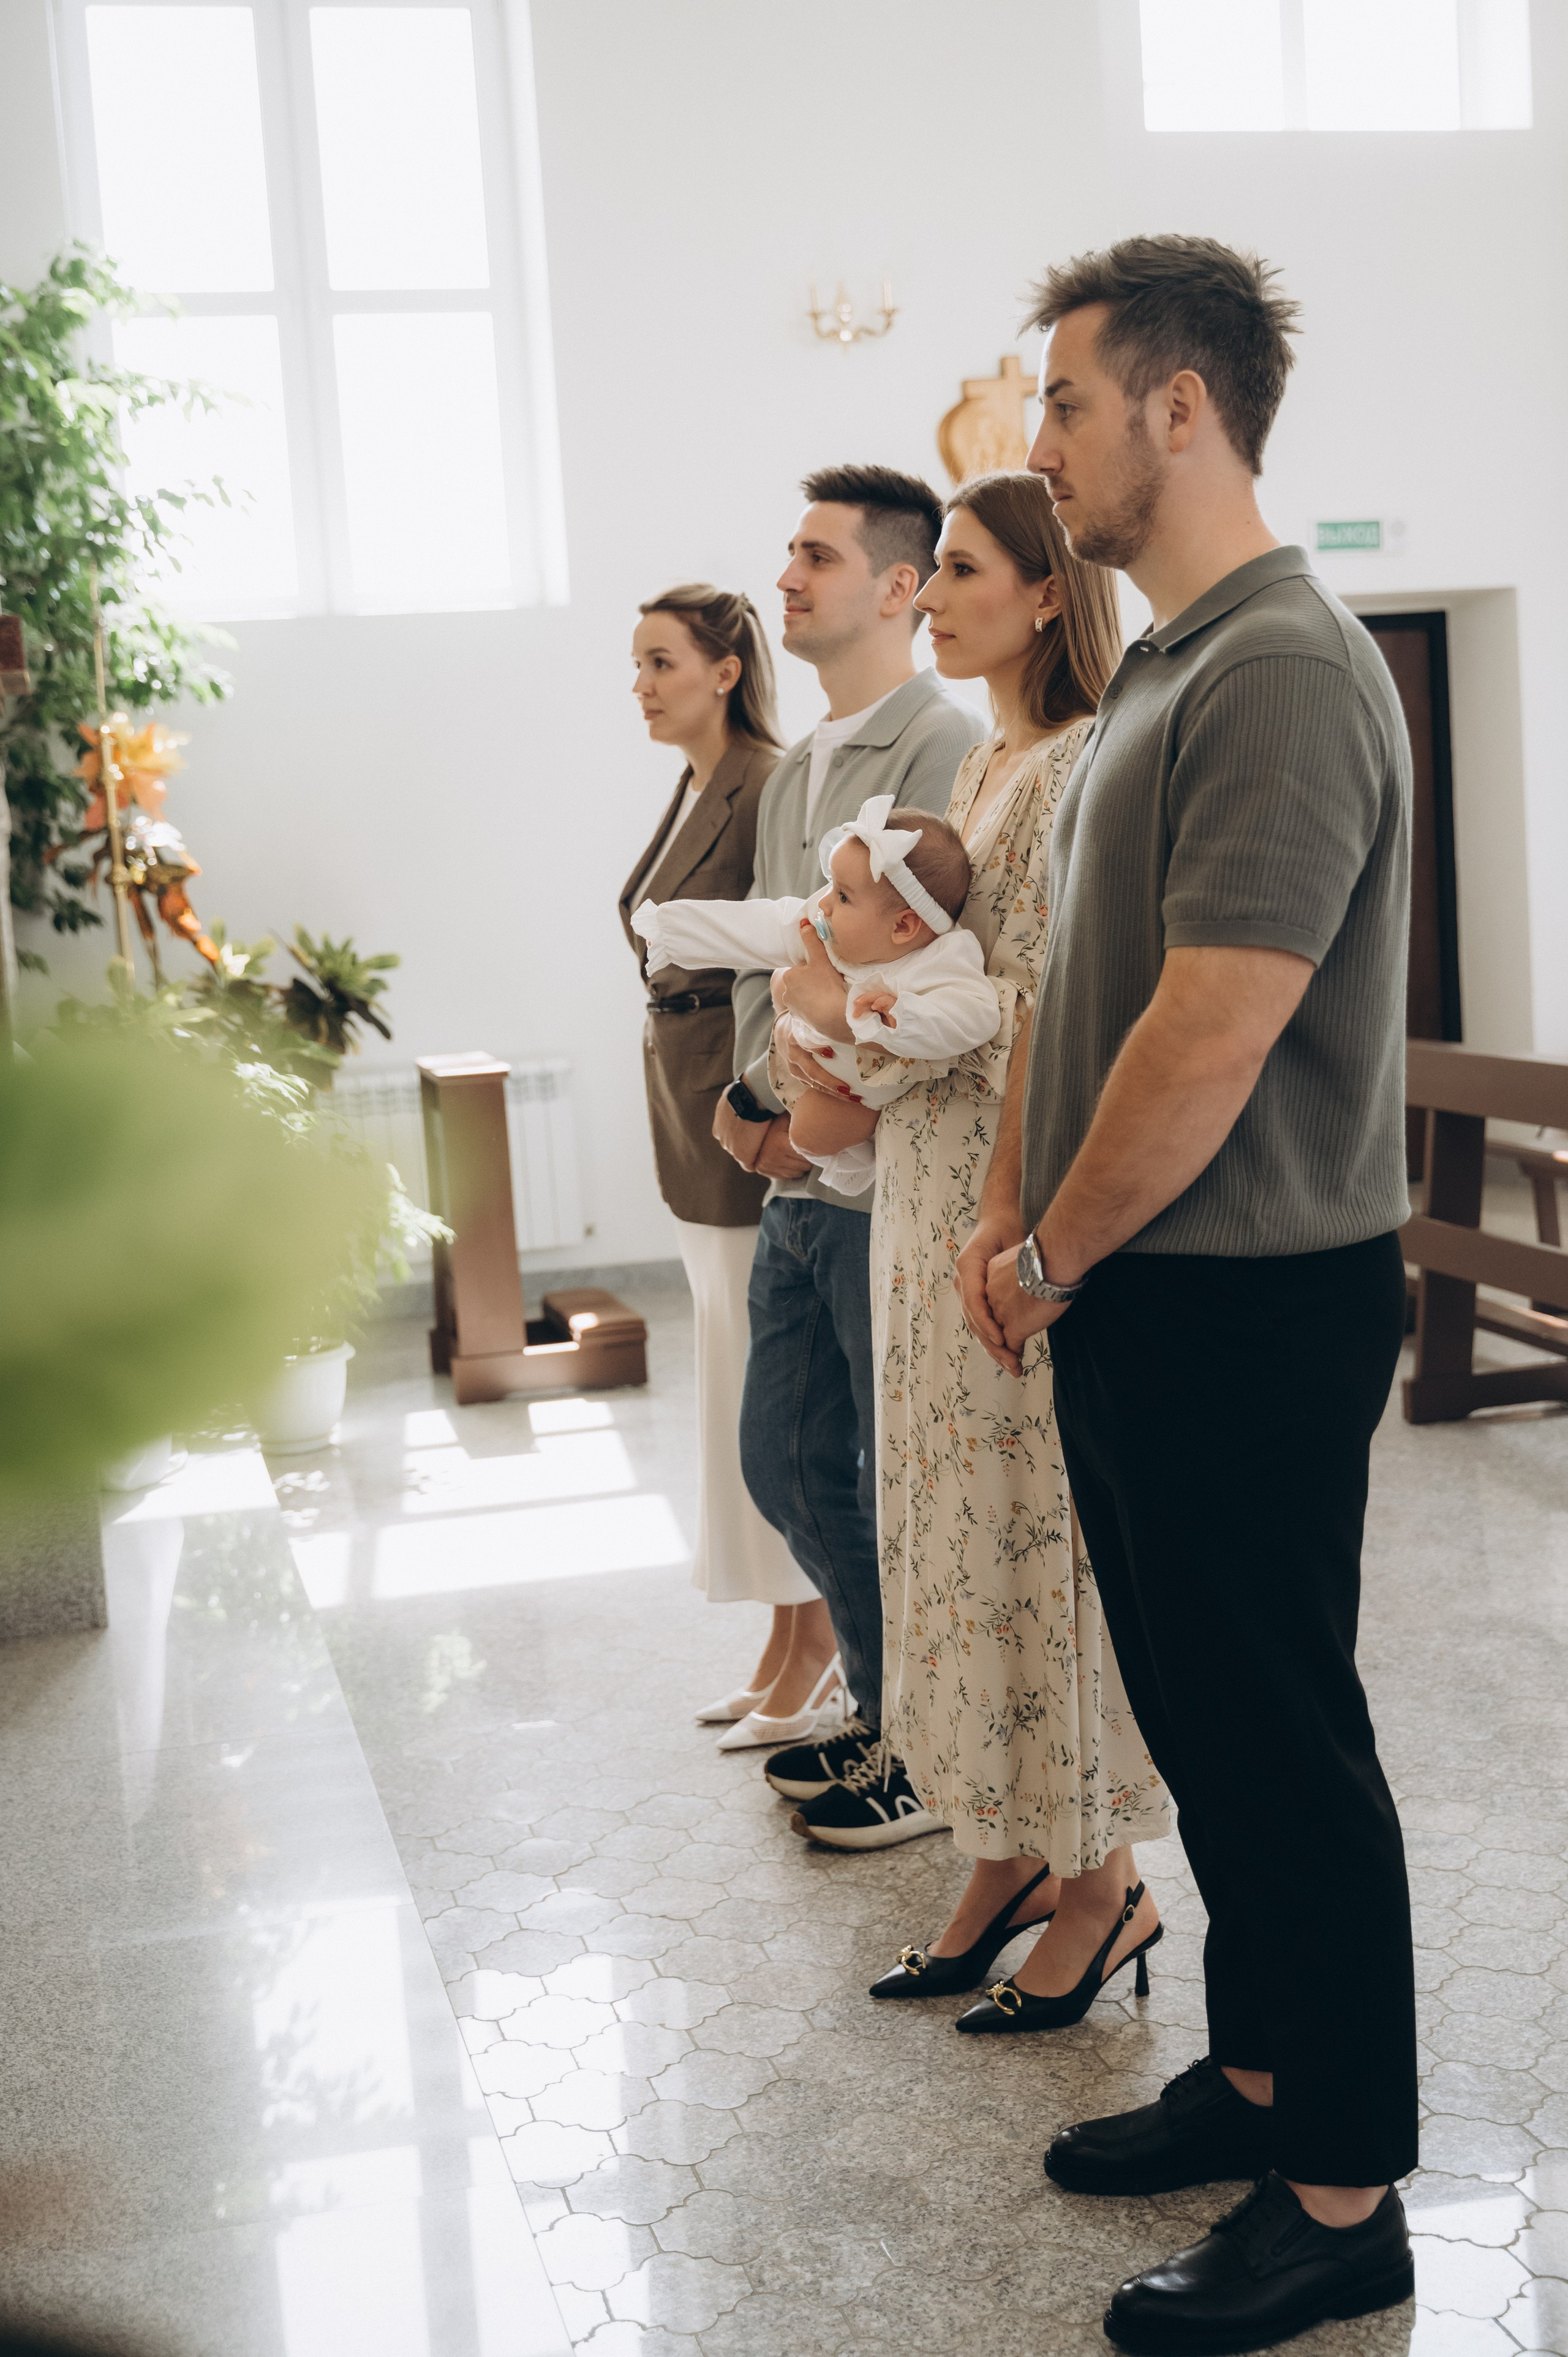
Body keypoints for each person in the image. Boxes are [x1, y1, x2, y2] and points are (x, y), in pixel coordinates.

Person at [962, 236, 1417, 2351]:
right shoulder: (1163, 664)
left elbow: (1217, 1023)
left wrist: (1055, 1245)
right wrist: (1018, 1213)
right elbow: (1078, 984)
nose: (1038, 443)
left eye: (1063, 402)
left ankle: (1339, 2197)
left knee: (1280, 1742)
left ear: (1178, 405)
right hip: (1146, 1288)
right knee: (1211, 1733)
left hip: (1245, 1292)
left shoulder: (1285, 665)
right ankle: (1251, 2078)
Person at [778, 470, 1174, 2035]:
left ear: (1044, 590)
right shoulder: (984, 754)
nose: (930, 596)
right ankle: (997, 1855)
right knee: (945, 1532)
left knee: (1030, 1544)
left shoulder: (1078, 758)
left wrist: (862, 1024)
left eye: (958, 569)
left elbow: (1058, 1000)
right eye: (931, 568)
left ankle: (1100, 1884)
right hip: (919, 1191)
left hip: (1002, 1200)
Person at [712, 464, 986, 1788]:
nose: (785, 577)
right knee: (782, 1458)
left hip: (874, 1181)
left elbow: (925, 977)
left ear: (896, 586)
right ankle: (884, 1706)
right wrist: (750, 1105)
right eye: (789, 552)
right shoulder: (791, 776)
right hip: (792, 1171)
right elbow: (771, 962)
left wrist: (810, 1120)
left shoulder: (944, 746)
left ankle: (909, 1738)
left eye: (815, 556)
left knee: (887, 1476)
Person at [618, 584, 829, 1736]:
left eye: (662, 662)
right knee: (731, 1376)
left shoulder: (765, 780)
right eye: (639, 665)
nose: (642, 686)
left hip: (735, 1110)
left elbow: (793, 945)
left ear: (726, 670)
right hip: (684, 1108)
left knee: (768, 1392)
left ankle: (818, 1637)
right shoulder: (698, 784)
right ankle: (784, 1634)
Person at [635, 796, 995, 1194]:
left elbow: (978, 1013)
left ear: (903, 927)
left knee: (808, 1135)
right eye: (831, 886)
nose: (824, 902)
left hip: (855, 1094)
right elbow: (759, 926)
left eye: (843, 896)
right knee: (782, 980)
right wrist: (673, 932)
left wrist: (904, 1017)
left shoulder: (944, 958)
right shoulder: (828, 926)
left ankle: (855, 1155)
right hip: (804, 1047)